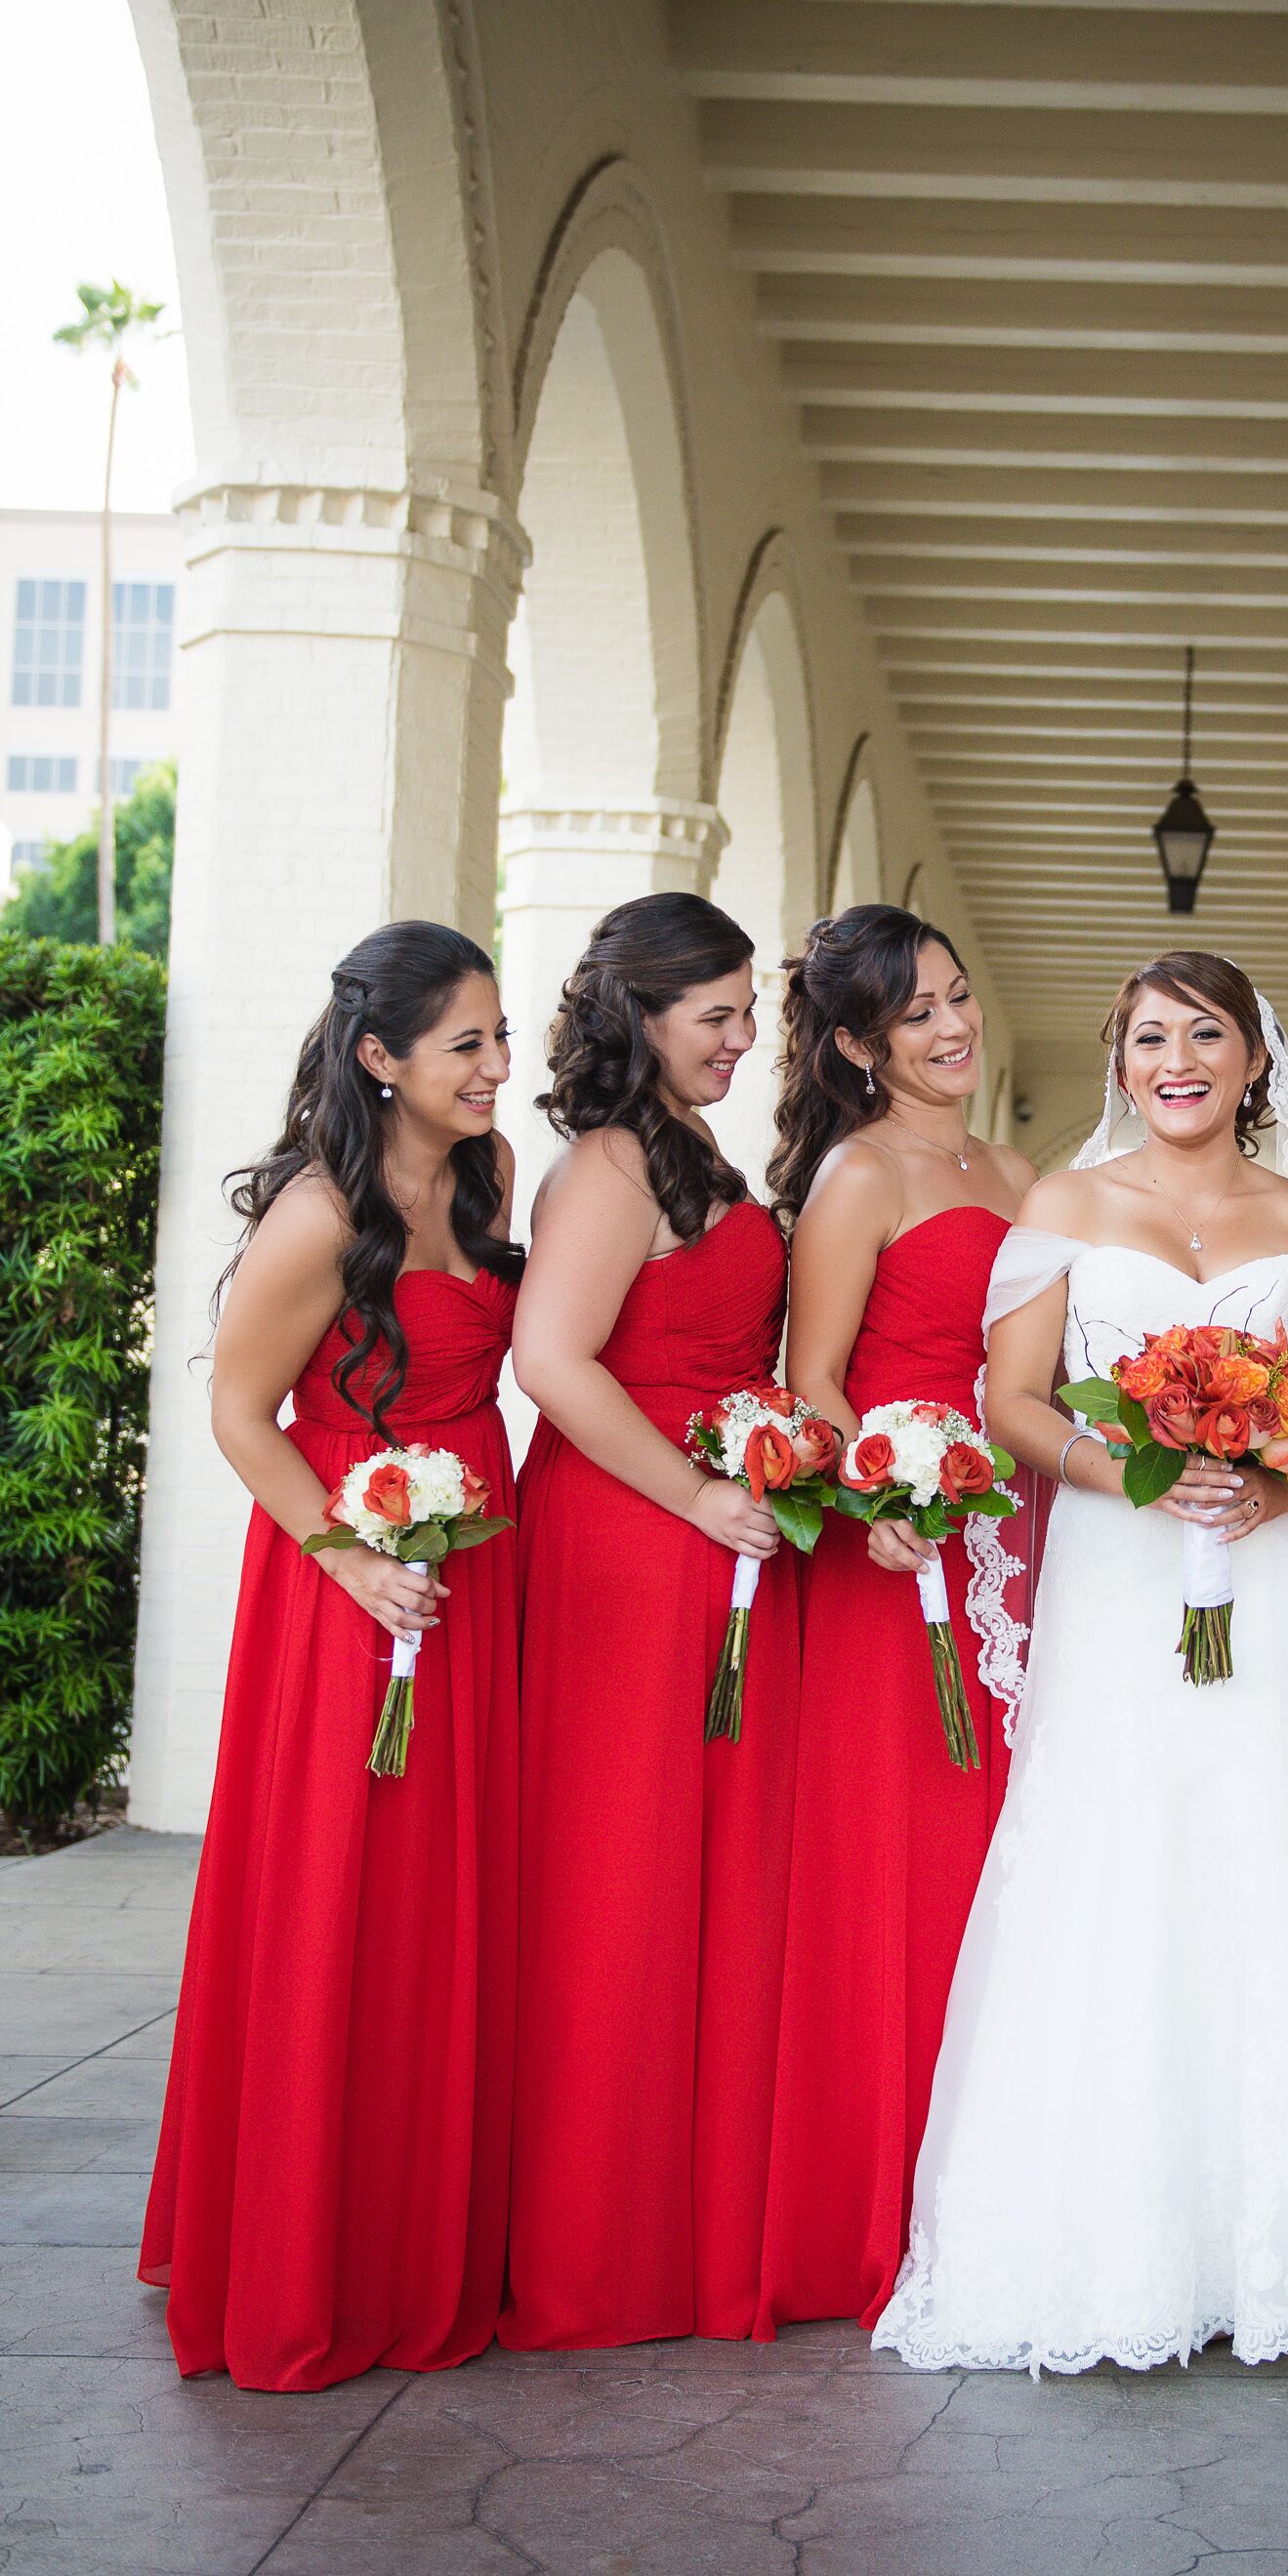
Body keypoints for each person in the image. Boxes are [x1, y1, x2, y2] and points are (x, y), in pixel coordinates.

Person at [872, 951, 1288, 2376]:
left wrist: (1280, 1488)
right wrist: (1126, 1471)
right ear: (1119, 1065)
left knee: (1269, 1851)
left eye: (1204, 1034)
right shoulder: (1063, 1205)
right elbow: (1007, 1400)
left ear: (1254, 1058)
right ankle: (1092, 2242)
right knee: (1111, 1856)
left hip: (1267, 1565)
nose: (1172, 1059)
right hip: (1120, 1577)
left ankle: (1275, 2252)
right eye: (1145, 1040)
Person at [141, 923, 522, 2389]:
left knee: (441, 1904)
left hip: (466, 1582)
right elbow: (243, 1413)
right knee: (336, 1900)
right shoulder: (318, 1214)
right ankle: (309, 2252)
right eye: (466, 1046)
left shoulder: (482, 1178)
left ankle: (422, 2233)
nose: (496, 1069)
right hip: (342, 1581)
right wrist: (353, 1560)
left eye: (498, 1039)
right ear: (381, 1058)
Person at [502, 893, 796, 2348]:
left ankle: (677, 2216)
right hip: (632, 1538)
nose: (744, 1039)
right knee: (621, 1876)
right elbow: (551, 1360)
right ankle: (594, 2244)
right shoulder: (614, 1163)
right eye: (719, 1014)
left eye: (748, 1013)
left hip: (702, 1528)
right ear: (643, 1014)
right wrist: (693, 1493)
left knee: (691, 1871)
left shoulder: (683, 1151)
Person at [756, 906, 1034, 2336]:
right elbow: (813, 1377)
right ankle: (880, 2197)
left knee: (1014, 1853)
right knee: (909, 1858)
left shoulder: (1010, 1166)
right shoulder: (859, 1174)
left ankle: (1001, 2170)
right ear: (859, 1045)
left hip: (1020, 1542)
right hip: (900, 1565)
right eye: (915, 1014)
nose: (950, 1028)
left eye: (956, 998)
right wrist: (884, 1501)